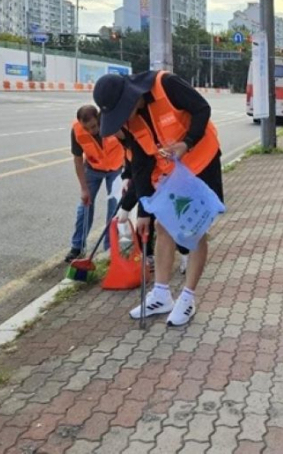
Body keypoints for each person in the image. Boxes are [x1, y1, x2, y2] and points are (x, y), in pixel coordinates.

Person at [93, 70, 221, 327]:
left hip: (200, 163)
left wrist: (187, 143)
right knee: (163, 225)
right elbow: (140, 164)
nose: (122, 119)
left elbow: (201, 109)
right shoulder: (129, 122)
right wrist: (144, 212)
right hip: (170, 171)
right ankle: (162, 294)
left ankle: (188, 297)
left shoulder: (166, 84)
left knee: (193, 230)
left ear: (130, 97)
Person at [67, 105, 126, 262]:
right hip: (93, 169)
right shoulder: (77, 130)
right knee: (84, 206)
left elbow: (129, 145)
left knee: (114, 210)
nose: (90, 131)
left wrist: (128, 174)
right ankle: (77, 247)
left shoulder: (112, 123)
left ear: (99, 118)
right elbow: (78, 160)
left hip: (116, 169)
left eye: (93, 126)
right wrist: (83, 189)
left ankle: (110, 248)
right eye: (86, 128)